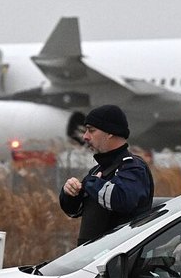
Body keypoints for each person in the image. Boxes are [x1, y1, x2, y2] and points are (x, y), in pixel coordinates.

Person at [60, 104, 154, 245]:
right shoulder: (97, 169)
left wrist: (92, 184)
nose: (85, 137)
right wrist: (70, 193)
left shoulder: (133, 167)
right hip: (91, 257)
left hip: (119, 258)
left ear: (110, 132)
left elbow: (123, 200)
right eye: (85, 131)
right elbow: (75, 211)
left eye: (91, 130)